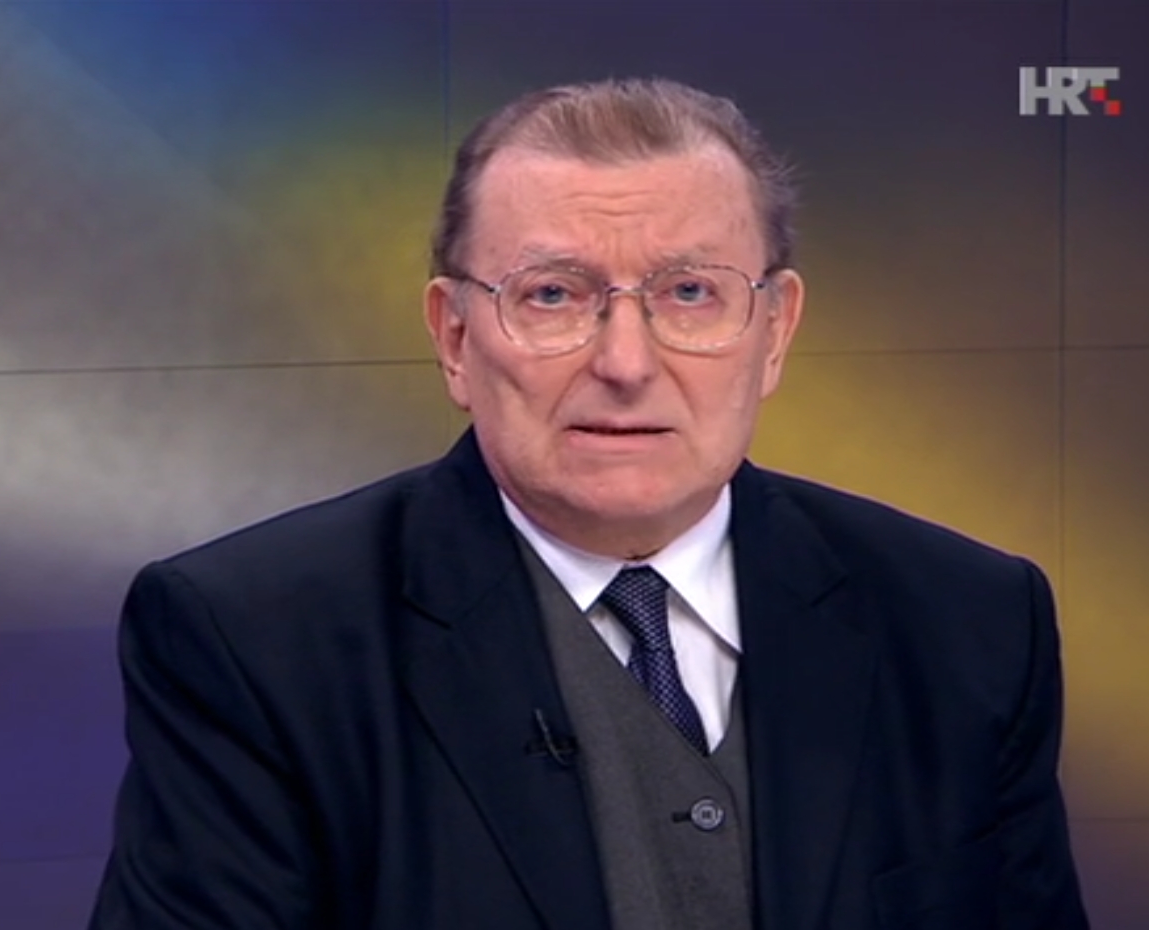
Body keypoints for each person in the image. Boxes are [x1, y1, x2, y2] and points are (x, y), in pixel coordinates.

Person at [89, 77, 1089, 929]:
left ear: (773, 332)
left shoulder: (967, 622)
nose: (624, 363)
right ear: (454, 337)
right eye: (553, 295)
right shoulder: (252, 641)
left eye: (689, 293)